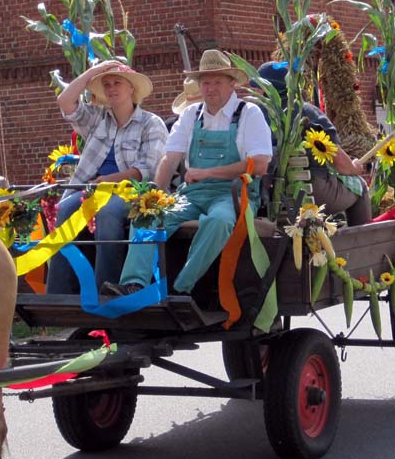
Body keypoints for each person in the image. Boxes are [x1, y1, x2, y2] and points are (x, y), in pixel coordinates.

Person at [104, 50, 273, 296]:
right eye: (205, 82)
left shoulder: (249, 113)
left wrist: (207, 172)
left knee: (219, 221)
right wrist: (155, 194)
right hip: (191, 195)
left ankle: (180, 289)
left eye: (217, 82)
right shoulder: (191, 114)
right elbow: (169, 158)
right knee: (146, 216)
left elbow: (260, 164)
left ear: (232, 84)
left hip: (234, 195)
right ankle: (134, 285)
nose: (210, 88)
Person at [46, 60, 168, 294]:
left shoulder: (151, 123)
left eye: (117, 83)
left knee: (107, 212)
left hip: (132, 193)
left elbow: (147, 170)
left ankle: (105, 289)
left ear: (131, 87)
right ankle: (59, 294)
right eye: (107, 84)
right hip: (92, 190)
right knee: (64, 210)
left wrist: (112, 178)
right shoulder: (97, 118)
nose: (111, 88)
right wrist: (95, 71)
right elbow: (65, 101)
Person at [255, 61, 372, 226]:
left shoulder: (253, 115)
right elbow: (341, 164)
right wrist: (354, 167)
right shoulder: (307, 112)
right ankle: (362, 240)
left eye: (257, 87)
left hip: (267, 196)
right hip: (310, 193)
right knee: (360, 186)